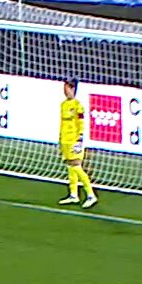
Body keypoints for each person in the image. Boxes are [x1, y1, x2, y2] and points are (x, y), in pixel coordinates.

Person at [59, 78, 97, 208]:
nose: (65, 91)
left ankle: (91, 194)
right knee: (70, 167)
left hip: (75, 140)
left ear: (73, 89)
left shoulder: (78, 106)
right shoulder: (63, 105)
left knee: (76, 166)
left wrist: (79, 140)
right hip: (65, 140)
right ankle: (73, 195)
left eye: (67, 88)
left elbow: (81, 124)